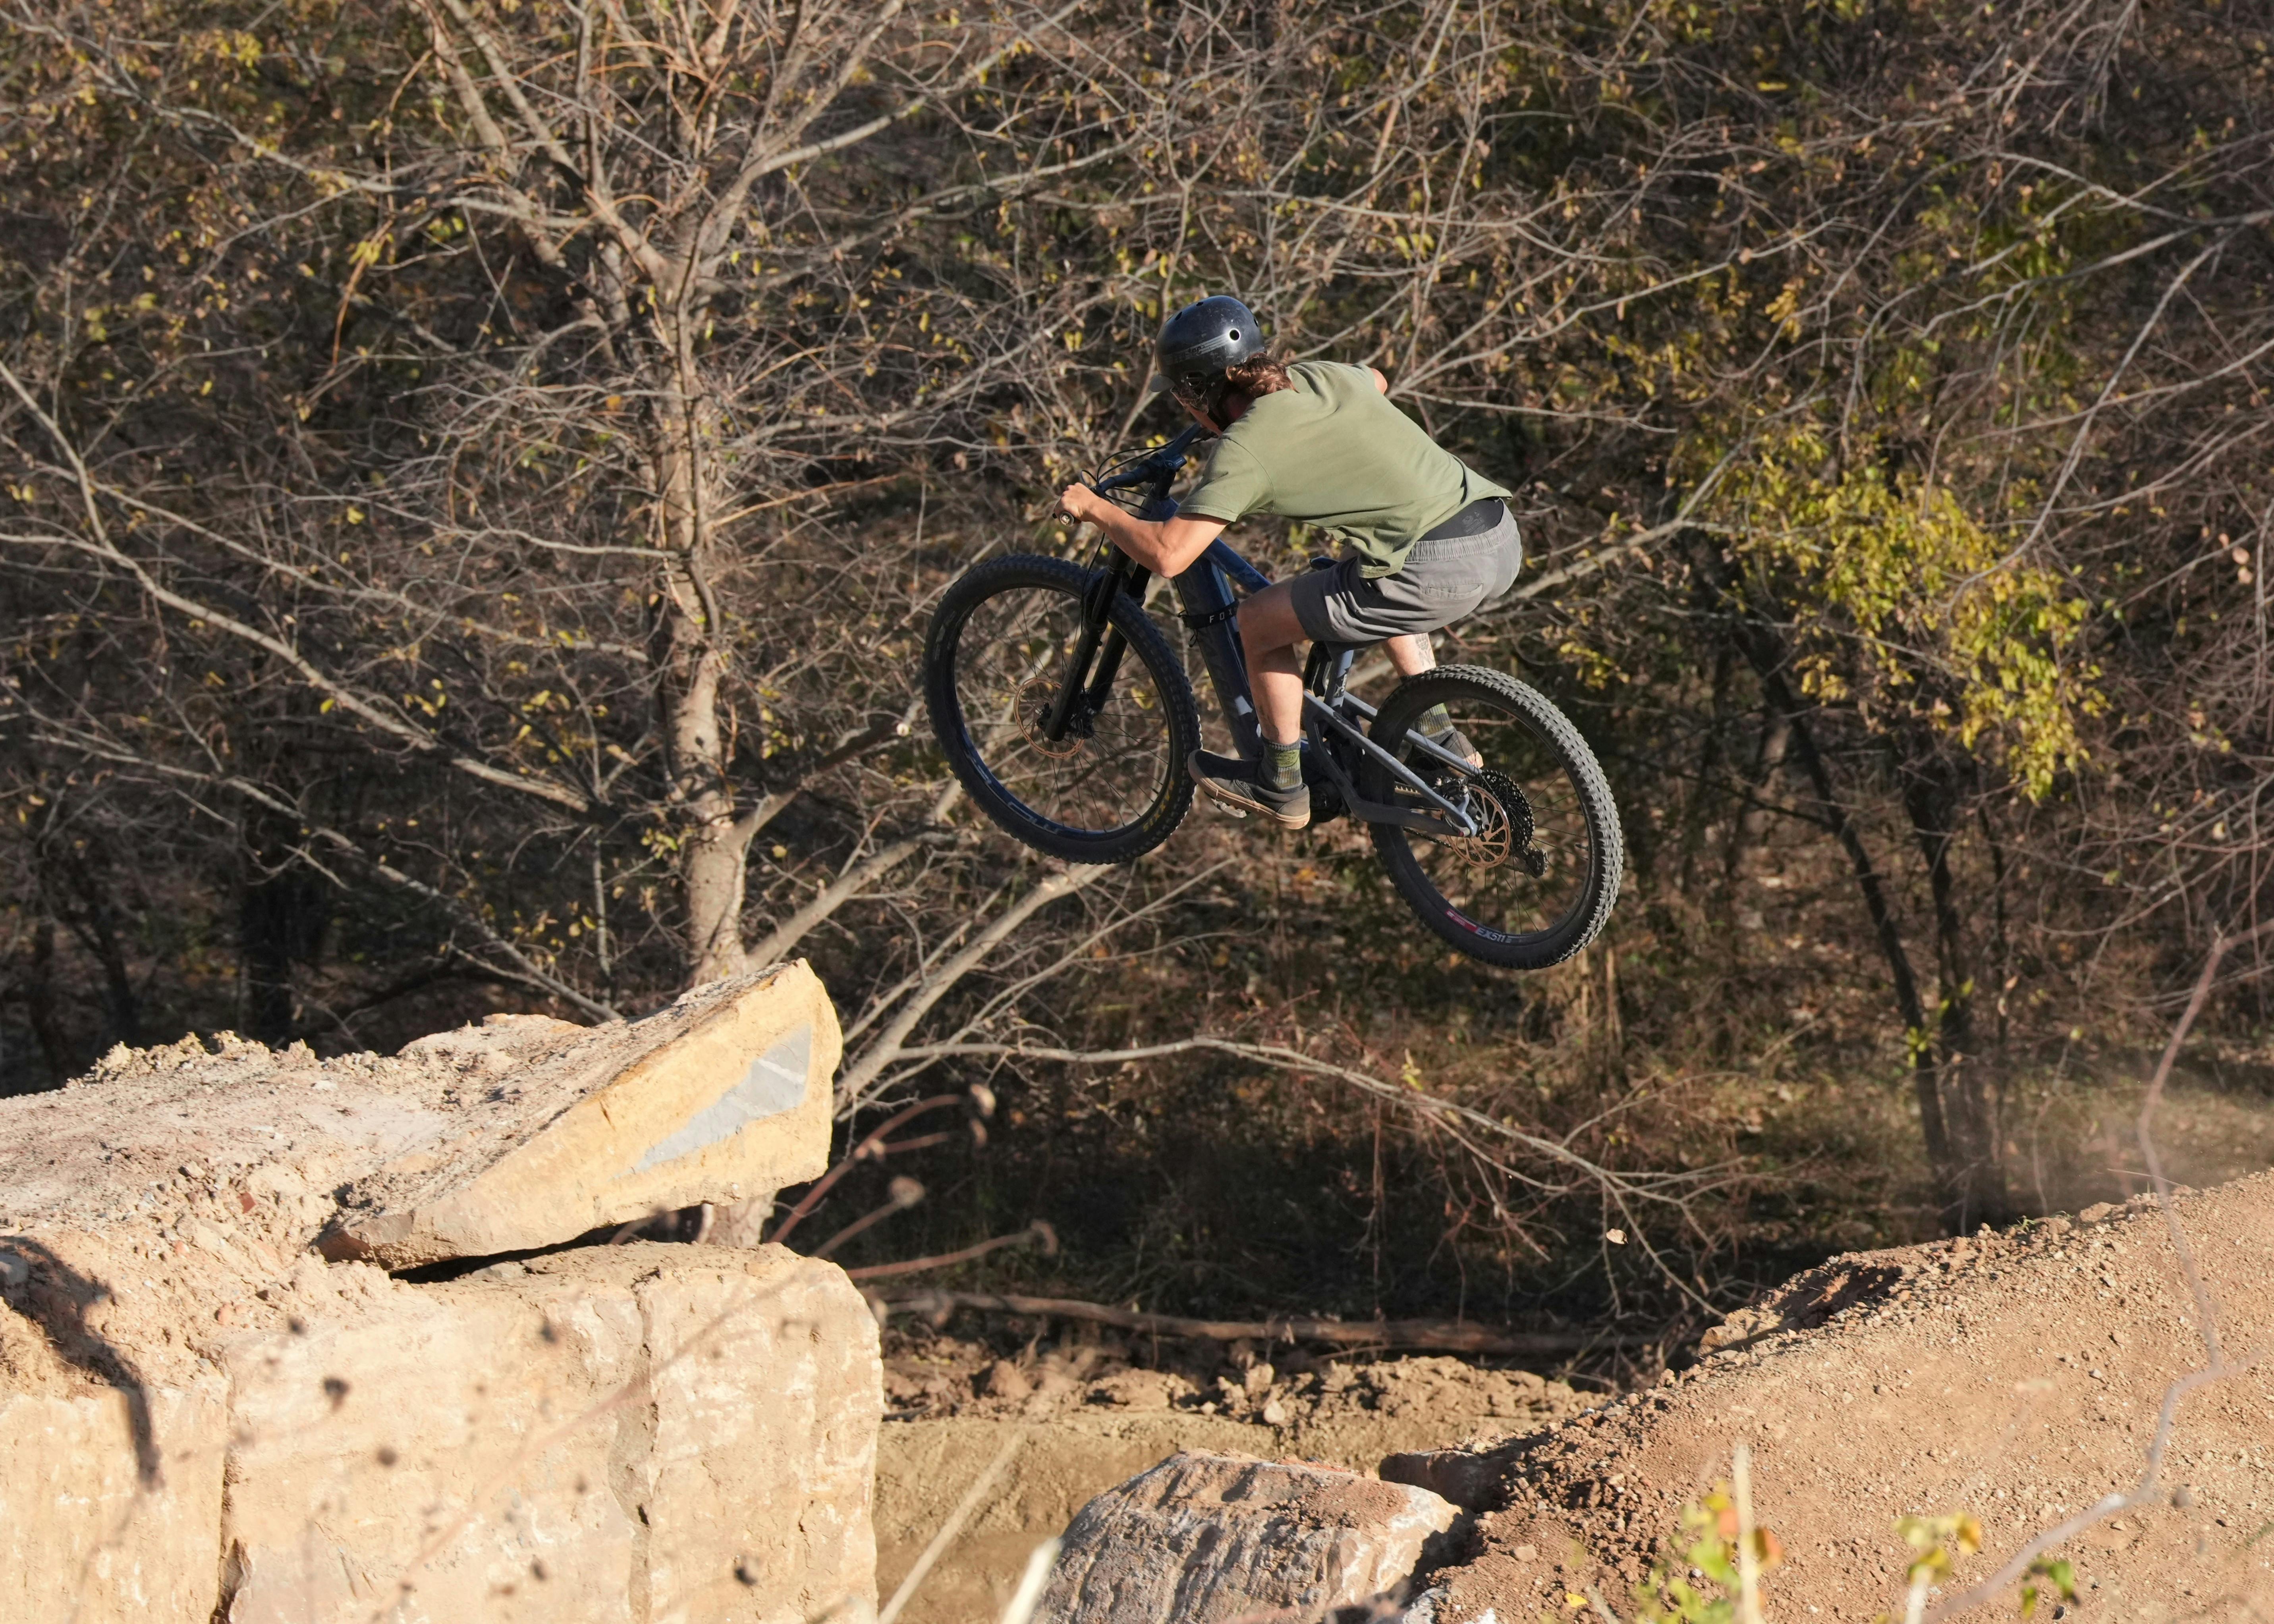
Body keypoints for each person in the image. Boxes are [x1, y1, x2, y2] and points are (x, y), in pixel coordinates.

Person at [1054, 294, 1521, 831]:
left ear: (1198, 390)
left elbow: (1168, 554)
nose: (1183, 408)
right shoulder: (1317, 377)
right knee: (1372, 545)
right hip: (1496, 534)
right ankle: (1440, 737)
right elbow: (1375, 379)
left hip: (1433, 571)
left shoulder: (1247, 449)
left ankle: (1280, 784)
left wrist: (1093, 508)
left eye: (1182, 396)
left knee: (1256, 622)